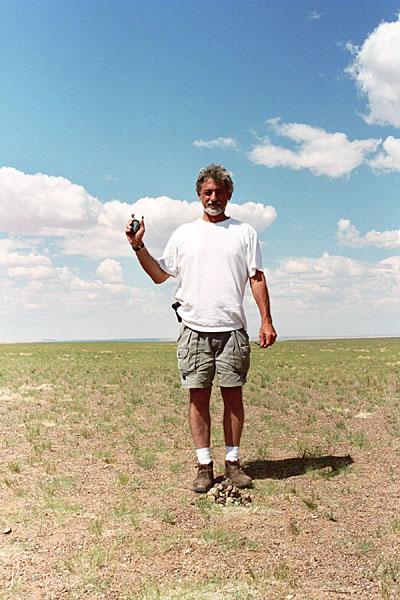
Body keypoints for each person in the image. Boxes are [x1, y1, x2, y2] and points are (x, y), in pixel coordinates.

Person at [125, 164, 277, 493]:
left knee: (233, 397)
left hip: (233, 328)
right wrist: (138, 246)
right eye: (208, 192)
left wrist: (266, 319)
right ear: (198, 195)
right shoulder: (184, 234)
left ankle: (233, 464)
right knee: (198, 397)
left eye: (219, 192)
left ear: (229, 195)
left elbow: (257, 277)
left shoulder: (244, 232)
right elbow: (159, 275)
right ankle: (204, 466)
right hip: (194, 328)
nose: (213, 198)